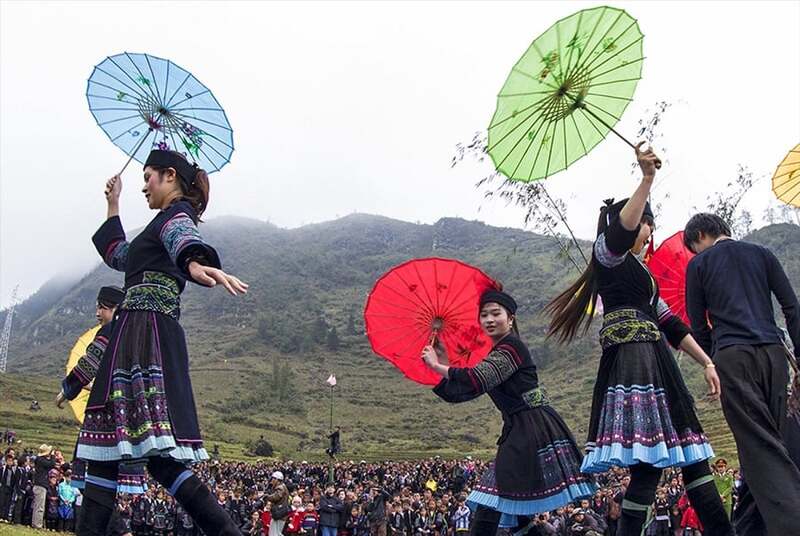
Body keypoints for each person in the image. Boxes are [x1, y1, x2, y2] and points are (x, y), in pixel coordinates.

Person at [546, 144, 733, 536]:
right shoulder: (608, 256)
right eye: (647, 223)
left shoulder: (643, 278)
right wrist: (646, 179)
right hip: (634, 365)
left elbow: (672, 325)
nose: (649, 231)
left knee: (686, 463)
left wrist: (708, 362)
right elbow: (620, 233)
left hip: (658, 366)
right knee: (650, 467)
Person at [76, 150, 248, 536]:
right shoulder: (156, 226)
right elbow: (121, 256)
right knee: (113, 451)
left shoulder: (175, 217)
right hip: (134, 334)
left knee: (153, 456)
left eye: (148, 176)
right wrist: (113, 203)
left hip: (145, 337)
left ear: (170, 176)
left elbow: (182, 239)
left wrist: (194, 262)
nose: (143, 185)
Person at [423, 288, 594, 535]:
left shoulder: (511, 348)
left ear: (510, 318)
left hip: (531, 429)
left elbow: (477, 379)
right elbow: (464, 391)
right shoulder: (499, 352)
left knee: (492, 501)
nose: (489, 320)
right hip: (521, 429)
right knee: (516, 506)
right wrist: (443, 363)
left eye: (496, 314)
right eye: (484, 315)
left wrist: (438, 366)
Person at [683, 211, 800, 536]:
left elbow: (697, 323)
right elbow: (791, 306)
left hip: (733, 358)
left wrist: (712, 361)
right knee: (766, 441)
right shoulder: (763, 254)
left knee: (760, 446)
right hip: (774, 355)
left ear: (701, 236)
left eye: (695, 247)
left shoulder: (699, 265)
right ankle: (748, 528)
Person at [57, 285, 131, 493]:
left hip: (107, 412)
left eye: (102, 308)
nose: (98, 313)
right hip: (130, 413)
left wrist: (67, 391)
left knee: (100, 474)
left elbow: (89, 363)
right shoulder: (137, 332)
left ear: (115, 308)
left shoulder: (110, 331)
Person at [32, 444, 56, 529]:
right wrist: (53, 456)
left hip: (39, 485)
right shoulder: (41, 460)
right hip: (40, 485)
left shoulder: (39, 460)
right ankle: (37, 524)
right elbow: (52, 464)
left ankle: (36, 523)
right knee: (40, 506)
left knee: (38, 505)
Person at [267, 471, 290, 536]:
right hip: (281, 514)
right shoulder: (282, 486)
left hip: (279, 514)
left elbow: (276, 497)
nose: (272, 480)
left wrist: (267, 496)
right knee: (277, 533)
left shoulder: (280, 487)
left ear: (277, 479)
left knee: (274, 534)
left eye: (273, 479)